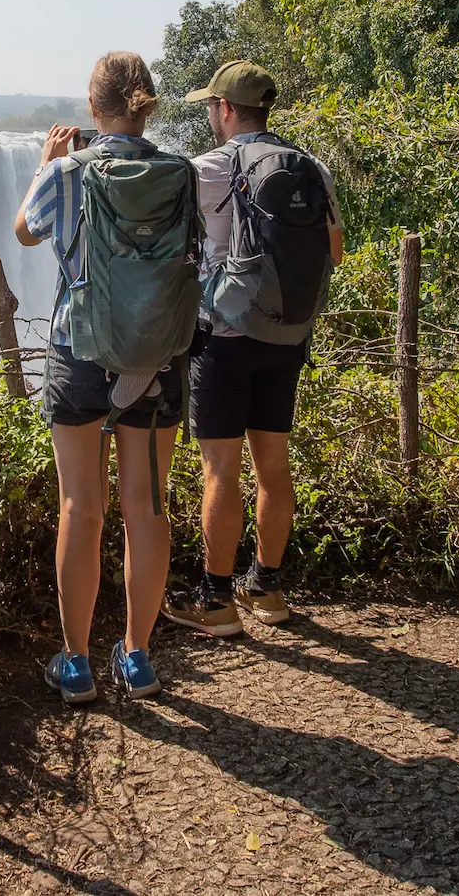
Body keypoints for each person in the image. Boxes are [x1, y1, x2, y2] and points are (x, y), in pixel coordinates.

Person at [14, 51, 197, 703]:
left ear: (94, 110)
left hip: (79, 349)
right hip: (156, 355)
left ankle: (77, 663)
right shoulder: (181, 172)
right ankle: (139, 658)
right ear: (146, 105)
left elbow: (25, 232)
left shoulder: (66, 171)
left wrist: (45, 165)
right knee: (146, 508)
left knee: (79, 508)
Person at [164, 60, 344, 634]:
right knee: (273, 462)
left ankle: (215, 602)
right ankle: (266, 588)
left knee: (220, 468)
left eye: (211, 108)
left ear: (223, 110)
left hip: (224, 339)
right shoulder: (309, 166)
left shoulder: (206, 169)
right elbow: (333, 253)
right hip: (287, 335)